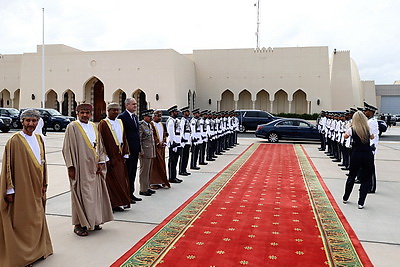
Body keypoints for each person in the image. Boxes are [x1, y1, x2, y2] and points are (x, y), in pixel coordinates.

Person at [0, 109, 53, 267]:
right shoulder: (14, 141)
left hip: (37, 187)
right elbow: (8, 166)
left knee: (36, 219)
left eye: (34, 121)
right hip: (21, 188)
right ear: (22, 122)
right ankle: (24, 256)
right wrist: (9, 189)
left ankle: (37, 251)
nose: (31, 124)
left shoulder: (39, 139)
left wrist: (44, 183)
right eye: (28, 121)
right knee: (24, 221)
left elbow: (43, 163)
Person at [62, 103, 113, 236]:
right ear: (77, 113)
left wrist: (101, 162)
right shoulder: (72, 127)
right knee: (80, 194)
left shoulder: (93, 126)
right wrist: (71, 166)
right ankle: (79, 224)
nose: (85, 115)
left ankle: (94, 220)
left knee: (94, 195)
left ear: (91, 114)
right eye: (82, 112)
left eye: (87, 113)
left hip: (95, 168)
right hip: (80, 167)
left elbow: (100, 146)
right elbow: (67, 148)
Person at [98, 103, 131, 212]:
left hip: (120, 157)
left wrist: (126, 153)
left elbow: (124, 137)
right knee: (110, 182)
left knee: (121, 180)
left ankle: (120, 202)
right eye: (113, 110)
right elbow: (100, 142)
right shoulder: (103, 124)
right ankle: (111, 204)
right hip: (110, 158)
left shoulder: (120, 122)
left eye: (117, 110)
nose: (116, 112)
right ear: (108, 111)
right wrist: (105, 157)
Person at [342, 111, 374, 209]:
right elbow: (372, 137)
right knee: (366, 178)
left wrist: (351, 126)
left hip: (356, 154)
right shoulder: (368, 129)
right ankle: (361, 202)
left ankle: (346, 197)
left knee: (352, 175)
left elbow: (345, 136)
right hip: (367, 154)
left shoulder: (352, 129)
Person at [118, 98, 142, 203]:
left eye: (136, 104)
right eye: (133, 104)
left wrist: (139, 148)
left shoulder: (135, 117)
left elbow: (137, 134)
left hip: (135, 149)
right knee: (127, 173)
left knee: (133, 172)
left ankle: (131, 193)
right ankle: (126, 194)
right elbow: (122, 134)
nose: (135, 106)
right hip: (128, 150)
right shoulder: (122, 117)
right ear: (127, 105)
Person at [150, 110, 170, 189]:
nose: (159, 118)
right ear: (153, 116)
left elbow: (164, 134)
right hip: (155, 147)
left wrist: (164, 142)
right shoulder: (152, 124)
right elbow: (153, 136)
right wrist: (158, 143)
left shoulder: (161, 124)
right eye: (158, 116)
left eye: (160, 116)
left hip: (161, 148)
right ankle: (154, 182)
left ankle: (162, 180)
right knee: (155, 165)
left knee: (162, 164)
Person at [138, 109, 156, 196]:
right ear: (144, 117)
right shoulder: (141, 125)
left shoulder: (149, 125)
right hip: (145, 151)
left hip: (150, 150)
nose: (151, 118)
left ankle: (148, 187)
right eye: (149, 116)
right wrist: (140, 150)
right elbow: (139, 139)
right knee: (144, 171)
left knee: (149, 170)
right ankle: (143, 189)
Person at [363, 102, 379, 193]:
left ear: (371, 112)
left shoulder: (372, 122)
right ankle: (368, 185)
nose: (365, 112)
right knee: (368, 167)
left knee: (370, 168)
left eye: (367, 111)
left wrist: (371, 147)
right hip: (368, 147)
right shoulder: (369, 121)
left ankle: (372, 187)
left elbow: (372, 136)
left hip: (370, 147)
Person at [166, 105, 183, 183]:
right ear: (172, 113)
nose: (177, 113)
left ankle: (174, 176)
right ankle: (171, 177)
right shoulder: (171, 121)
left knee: (175, 161)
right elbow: (171, 133)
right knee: (172, 161)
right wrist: (173, 144)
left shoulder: (176, 120)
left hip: (177, 142)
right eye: (175, 112)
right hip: (173, 143)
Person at [179, 106, 192, 176]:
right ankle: (181, 170)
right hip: (184, 141)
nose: (188, 113)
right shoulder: (182, 121)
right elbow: (181, 131)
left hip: (188, 140)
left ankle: (184, 169)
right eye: (187, 112)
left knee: (186, 156)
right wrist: (182, 139)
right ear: (184, 113)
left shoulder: (187, 120)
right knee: (183, 156)